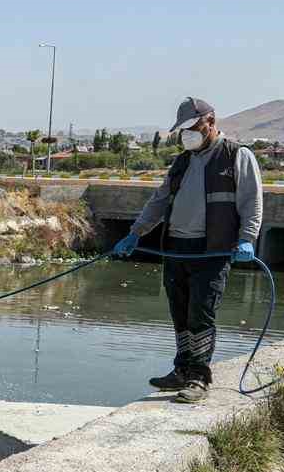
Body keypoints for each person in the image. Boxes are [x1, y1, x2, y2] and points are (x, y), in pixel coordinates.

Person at [112, 97, 263, 403]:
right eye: (184, 130)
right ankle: (181, 370)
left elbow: (252, 202)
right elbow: (159, 200)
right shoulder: (182, 161)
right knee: (179, 312)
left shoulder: (236, 156)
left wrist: (247, 238)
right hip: (177, 248)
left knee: (200, 314)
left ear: (211, 121)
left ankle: (199, 378)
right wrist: (135, 234)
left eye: (193, 127)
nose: (188, 134)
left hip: (211, 250)